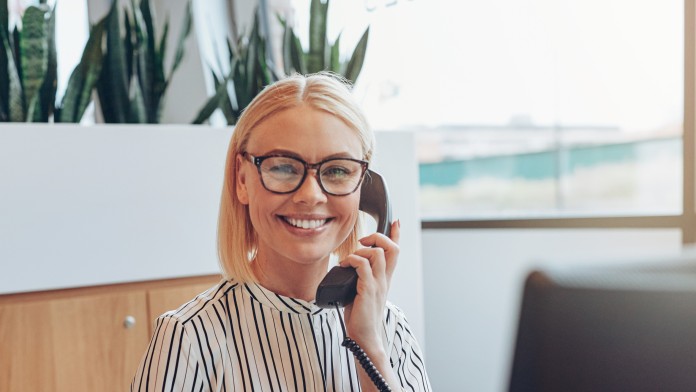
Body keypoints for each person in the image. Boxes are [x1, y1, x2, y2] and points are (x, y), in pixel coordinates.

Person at [131, 73, 431, 391]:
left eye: (338, 170)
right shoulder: (190, 337)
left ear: (364, 187)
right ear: (242, 180)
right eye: (283, 167)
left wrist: (370, 346)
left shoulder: (389, 327)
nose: (311, 195)